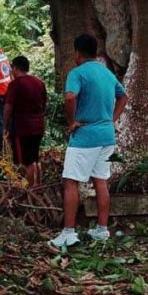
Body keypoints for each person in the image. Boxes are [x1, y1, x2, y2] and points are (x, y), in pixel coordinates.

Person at [50, 34, 128, 249]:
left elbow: (69, 97)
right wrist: (111, 119)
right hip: (106, 136)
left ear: (77, 52)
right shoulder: (107, 73)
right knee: (100, 180)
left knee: (71, 181)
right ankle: (102, 230)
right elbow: (123, 97)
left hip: (86, 136)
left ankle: (68, 233)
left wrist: (72, 121)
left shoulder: (77, 73)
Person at [4, 56, 48, 187]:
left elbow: (8, 106)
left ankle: (30, 189)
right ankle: (39, 184)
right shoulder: (39, 82)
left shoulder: (16, 84)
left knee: (26, 161)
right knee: (35, 157)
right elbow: (45, 104)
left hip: (23, 127)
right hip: (38, 126)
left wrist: (5, 125)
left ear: (15, 68)